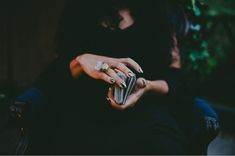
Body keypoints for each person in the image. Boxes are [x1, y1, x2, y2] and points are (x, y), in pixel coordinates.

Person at [27, 0, 195, 154]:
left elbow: (176, 77)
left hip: (146, 115)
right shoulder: (79, 10)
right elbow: (53, 78)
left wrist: (147, 87)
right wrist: (80, 62)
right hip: (84, 114)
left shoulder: (159, 12)